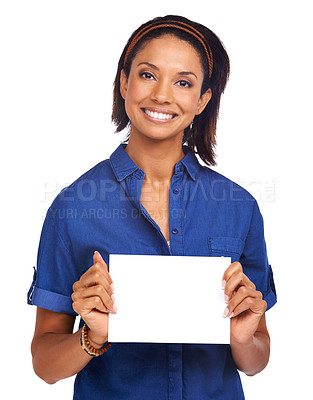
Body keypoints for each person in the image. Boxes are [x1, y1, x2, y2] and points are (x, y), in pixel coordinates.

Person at [28, 15, 277, 400]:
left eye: (183, 82)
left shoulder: (239, 208)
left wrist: (242, 338)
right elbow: (44, 364)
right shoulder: (73, 208)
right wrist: (92, 336)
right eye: (148, 75)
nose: (162, 95)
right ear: (124, 82)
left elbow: (256, 359)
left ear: (202, 100)